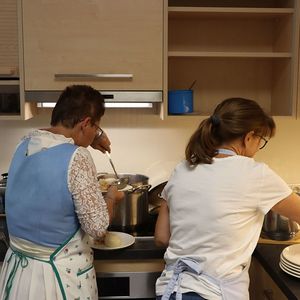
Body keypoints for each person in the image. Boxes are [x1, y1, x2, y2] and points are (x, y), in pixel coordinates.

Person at [155, 97, 300, 300]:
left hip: (170, 290)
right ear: (248, 137)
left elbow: (162, 237)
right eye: (261, 140)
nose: (259, 147)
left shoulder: (181, 169)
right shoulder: (255, 174)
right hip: (216, 294)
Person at [0, 84, 124, 300]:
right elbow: (97, 228)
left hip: (19, 276)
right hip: (57, 283)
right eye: (96, 127)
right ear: (86, 124)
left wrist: (94, 135)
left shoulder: (24, 144)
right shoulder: (78, 157)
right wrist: (112, 197)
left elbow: (66, 136)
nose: (97, 132)